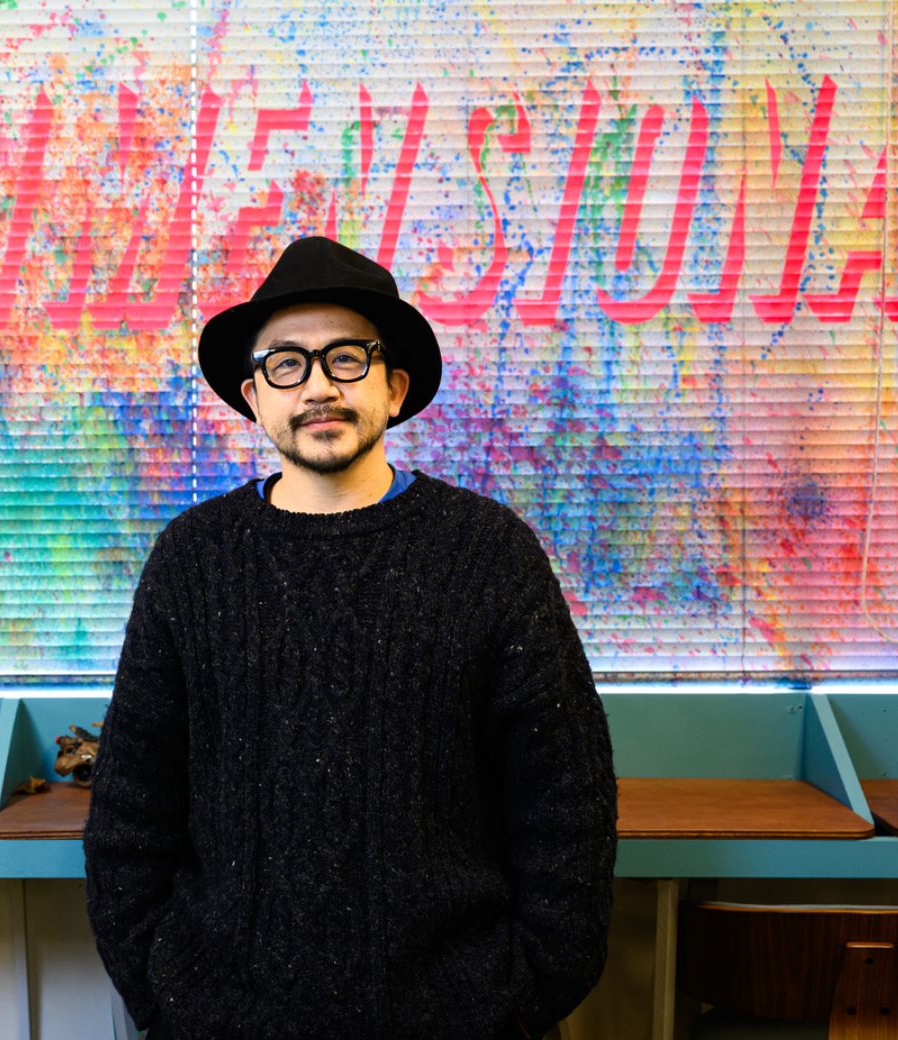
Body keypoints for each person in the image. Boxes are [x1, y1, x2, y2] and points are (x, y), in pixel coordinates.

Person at [83, 236, 618, 1039]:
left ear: (394, 388)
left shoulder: (488, 555)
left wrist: (514, 998)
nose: (319, 386)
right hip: (224, 1021)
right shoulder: (193, 561)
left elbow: (565, 804)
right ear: (254, 397)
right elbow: (131, 807)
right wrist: (168, 993)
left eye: (347, 358)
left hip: (455, 1020)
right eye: (286, 364)